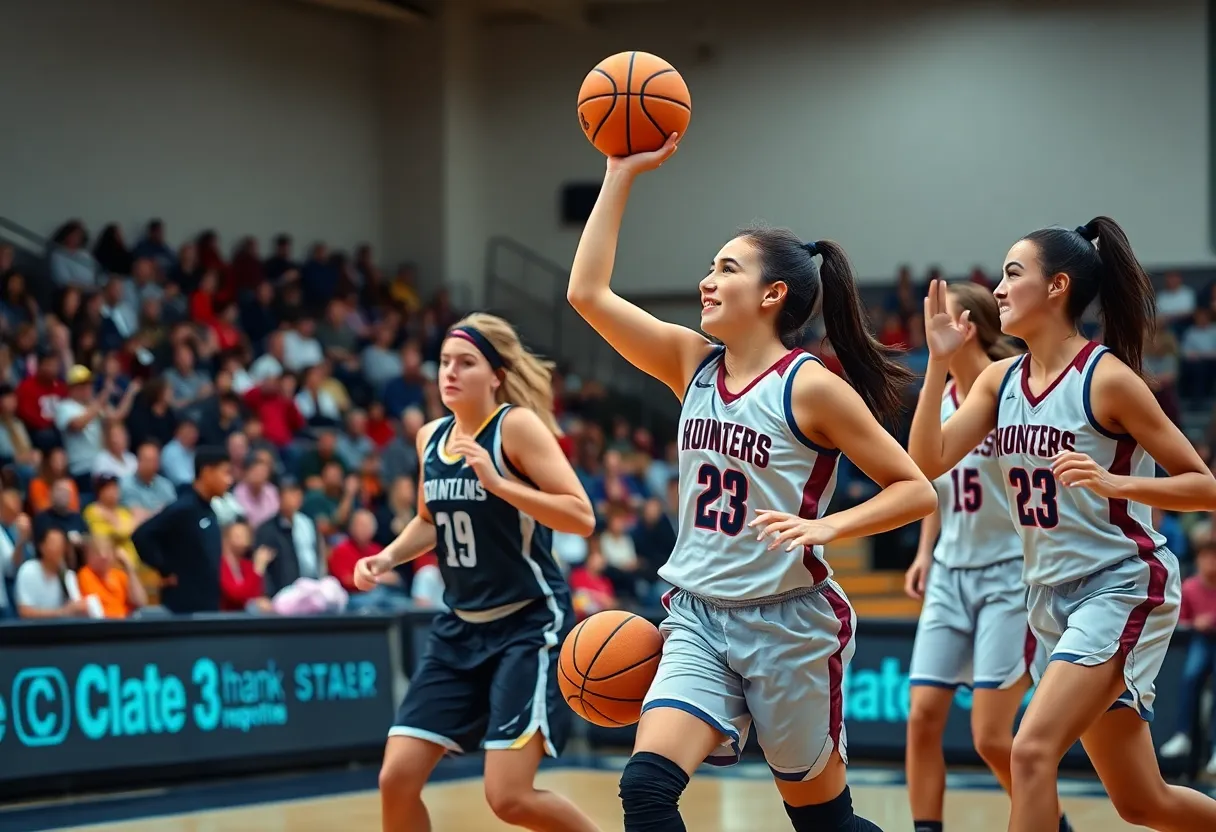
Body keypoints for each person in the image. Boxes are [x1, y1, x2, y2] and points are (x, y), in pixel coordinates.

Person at [566, 133, 937, 832]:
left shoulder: (812, 389)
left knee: (823, 824)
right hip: (697, 618)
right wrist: (618, 174)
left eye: (726, 268)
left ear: (772, 294)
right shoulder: (691, 362)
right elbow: (585, 293)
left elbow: (915, 490)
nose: (707, 279)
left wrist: (829, 526)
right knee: (645, 791)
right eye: (710, 266)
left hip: (789, 623)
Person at [906, 218, 1216, 832]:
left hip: (1120, 583)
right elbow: (926, 462)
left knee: (1029, 749)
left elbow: (1204, 486)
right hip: (1047, 595)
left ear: (1057, 287)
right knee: (1142, 802)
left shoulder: (1108, 380)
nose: (996, 288)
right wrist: (939, 365)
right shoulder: (999, 381)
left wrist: (1118, 483)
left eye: (1012, 273)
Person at [354, 313, 600, 832]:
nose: (450, 372)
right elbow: (429, 520)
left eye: (465, 363)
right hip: (459, 628)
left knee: (508, 798)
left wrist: (499, 483)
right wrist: (387, 557)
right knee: (395, 778)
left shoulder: (516, 428)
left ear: (495, 375)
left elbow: (580, 516)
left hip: (528, 624)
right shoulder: (429, 438)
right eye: (444, 362)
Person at [901, 284, 1071, 832]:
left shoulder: (1016, 394)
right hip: (951, 570)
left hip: (1009, 574)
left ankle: (1050, 821)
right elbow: (932, 477)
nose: (930, 326)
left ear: (967, 326)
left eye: (941, 319)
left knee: (992, 737)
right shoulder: (944, 402)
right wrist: (926, 551)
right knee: (923, 716)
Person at [131, 446, 232, 614]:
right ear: (207, 472)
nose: (229, 480)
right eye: (225, 473)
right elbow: (142, 535)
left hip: (208, 607)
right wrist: (164, 568)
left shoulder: (209, 510)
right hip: (183, 610)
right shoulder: (184, 508)